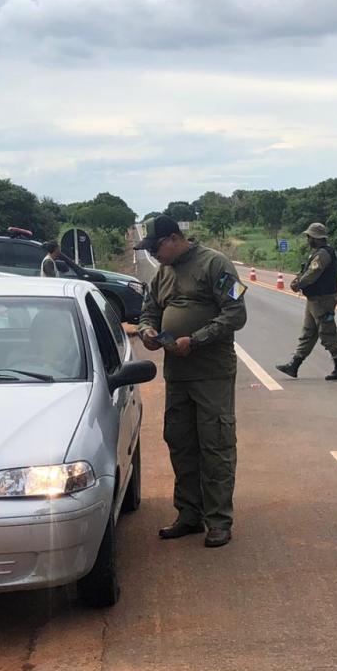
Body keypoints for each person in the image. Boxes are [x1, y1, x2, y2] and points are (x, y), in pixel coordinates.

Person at [136, 215, 247, 548]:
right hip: (178, 375)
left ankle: (218, 520)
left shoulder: (216, 264)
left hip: (211, 372)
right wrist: (147, 332)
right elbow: (148, 312)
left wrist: (196, 339)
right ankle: (189, 514)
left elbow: (236, 313)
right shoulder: (162, 275)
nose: (154, 255)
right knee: (181, 443)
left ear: (173, 238)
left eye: (156, 248)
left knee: (216, 445)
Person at [275, 223, 337, 381]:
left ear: (316, 238)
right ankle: (294, 365)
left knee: (327, 331)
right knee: (308, 332)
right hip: (315, 299)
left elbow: (312, 273)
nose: (308, 240)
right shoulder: (319, 253)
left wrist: (299, 283)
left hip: (323, 299)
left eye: (309, 237)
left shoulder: (323, 254)